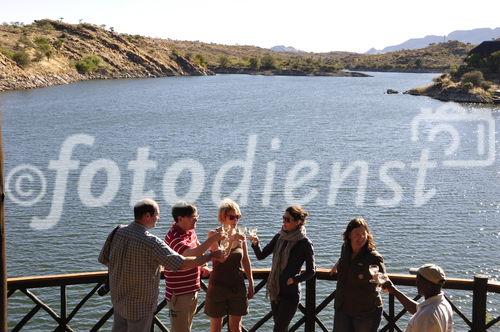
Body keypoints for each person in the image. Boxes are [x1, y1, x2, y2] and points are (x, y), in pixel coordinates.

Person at [98, 198, 224, 332]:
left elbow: (104, 259)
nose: (159, 218)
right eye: (157, 214)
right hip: (140, 304)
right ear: (147, 216)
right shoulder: (151, 242)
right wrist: (211, 256)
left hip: (118, 299)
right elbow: (181, 264)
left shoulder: (117, 231)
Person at [249, 205, 315, 332]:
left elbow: (311, 271)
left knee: (278, 329)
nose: (284, 221)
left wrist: (295, 279)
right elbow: (261, 256)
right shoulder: (279, 237)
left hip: (291, 294)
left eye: (288, 219)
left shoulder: (305, 243)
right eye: (283, 218)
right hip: (276, 291)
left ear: (298, 222)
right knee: (281, 328)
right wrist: (256, 243)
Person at [164, 201, 225, 332]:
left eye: (197, 216)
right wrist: (212, 242)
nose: (196, 219)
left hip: (192, 289)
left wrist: (204, 265)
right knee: (180, 330)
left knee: (186, 328)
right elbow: (189, 254)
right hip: (179, 294)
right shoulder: (173, 238)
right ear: (180, 218)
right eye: (193, 217)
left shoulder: (190, 231)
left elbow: (197, 247)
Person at [204, 198, 254, 332]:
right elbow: (221, 259)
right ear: (222, 217)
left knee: (236, 328)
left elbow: (246, 260)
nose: (236, 220)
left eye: (238, 217)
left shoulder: (240, 235)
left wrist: (251, 282)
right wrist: (232, 241)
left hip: (237, 287)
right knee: (216, 327)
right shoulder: (214, 234)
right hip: (217, 287)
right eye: (232, 217)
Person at [330, 217, 386, 332]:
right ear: (349, 235)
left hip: (365, 313)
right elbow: (345, 259)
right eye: (356, 234)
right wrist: (338, 264)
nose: (360, 237)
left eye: (363, 234)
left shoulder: (373, 257)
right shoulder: (345, 248)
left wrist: (380, 280)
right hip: (343, 309)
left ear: (367, 235)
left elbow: (384, 279)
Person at [383, 263, 453, 332]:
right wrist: (394, 290)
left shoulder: (427, 316)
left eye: (418, 279)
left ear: (427, 284)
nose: (416, 282)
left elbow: (424, 314)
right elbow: (418, 309)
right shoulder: (443, 303)